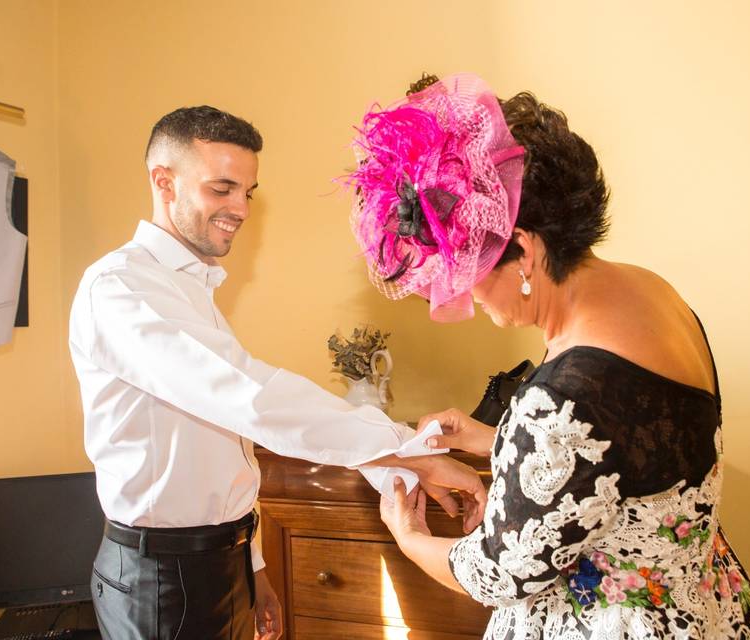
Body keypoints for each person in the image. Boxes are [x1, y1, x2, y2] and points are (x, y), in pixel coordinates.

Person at [347, 74, 750, 638]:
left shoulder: (562, 396)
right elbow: (634, 445)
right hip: (701, 607)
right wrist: (497, 439)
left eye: (470, 273)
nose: (467, 297)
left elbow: (496, 576)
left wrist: (410, 539)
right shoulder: (651, 292)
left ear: (524, 250)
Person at [68, 105, 486, 640]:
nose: (240, 208)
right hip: (161, 582)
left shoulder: (192, 290)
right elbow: (253, 400)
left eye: (249, 191)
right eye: (222, 189)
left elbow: (226, 446)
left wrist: (254, 567)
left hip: (222, 561)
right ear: (163, 182)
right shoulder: (122, 288)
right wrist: (411, 452)